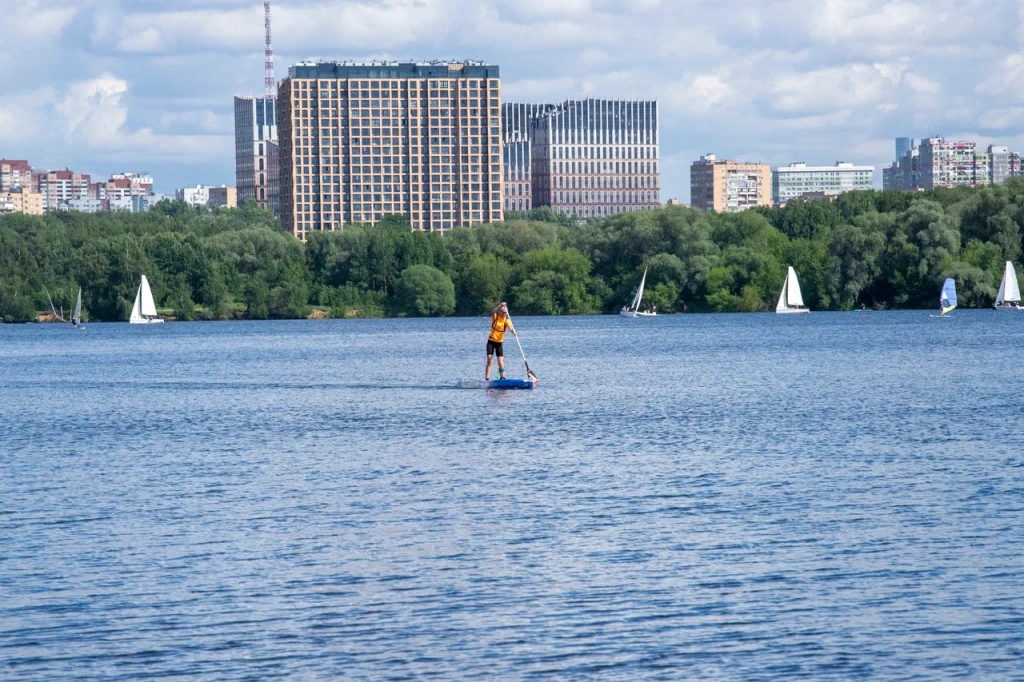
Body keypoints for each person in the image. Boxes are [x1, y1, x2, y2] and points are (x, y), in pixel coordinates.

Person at [485, 302, 517, 381]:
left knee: (501, 362)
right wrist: (500, 306)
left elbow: (510, 328)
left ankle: (502, 377)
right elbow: (491, 312)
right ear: (500, 312)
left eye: (506, 313)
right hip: (491, 341)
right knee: (489, 359)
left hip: (499, 343)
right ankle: (487, 379)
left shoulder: (506, 321)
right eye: (503, 313)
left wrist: (514, 332)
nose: (505, 314)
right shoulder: (495, 317)